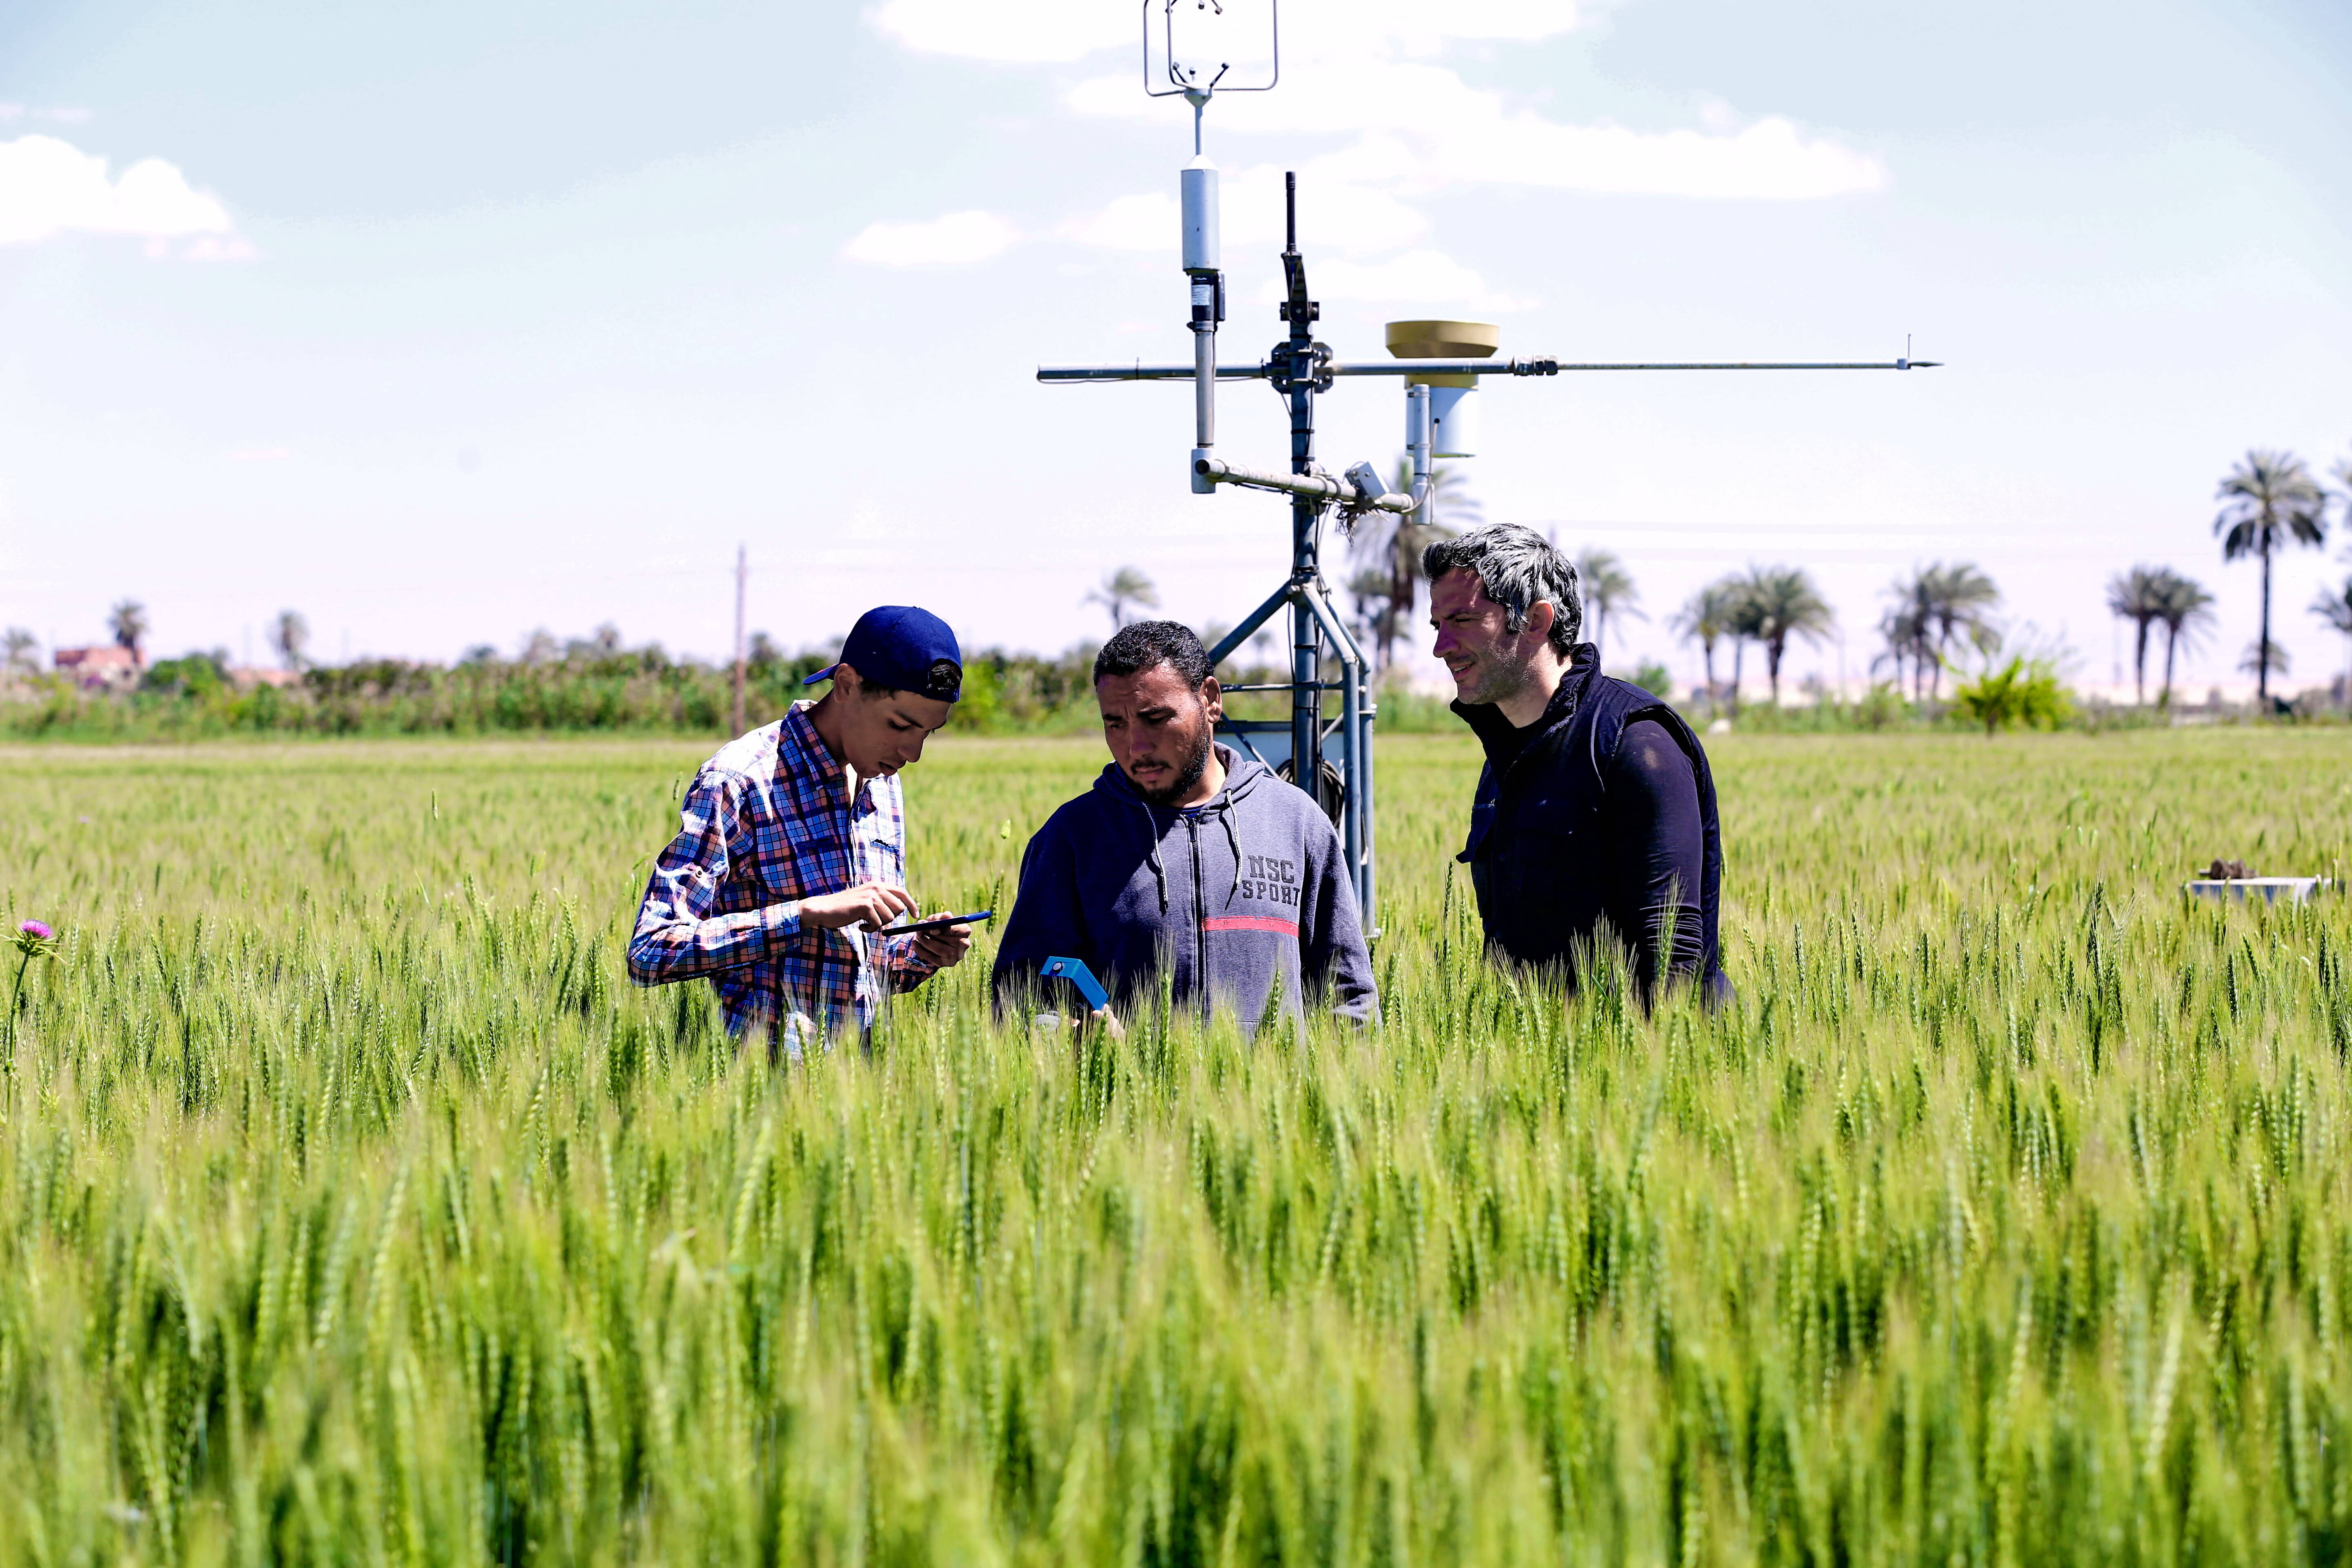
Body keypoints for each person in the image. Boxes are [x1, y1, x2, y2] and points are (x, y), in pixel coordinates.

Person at [992, 620, 1377, 1034]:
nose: (1136, 746)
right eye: (1116, 724)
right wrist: (1069, 1038)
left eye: (1155, 718)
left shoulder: (1296, 821)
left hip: (1276, 1079)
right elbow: (1018, 999)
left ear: (1210, 701)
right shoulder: (1070, 838)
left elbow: (1350, 998)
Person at [627, 605, 976, 1054]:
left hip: (859, 1082)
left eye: (928, 733)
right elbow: (651, 952)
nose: (912, 753)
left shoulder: (883, 783)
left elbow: (864, 969)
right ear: (847, 685)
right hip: (757, 1082)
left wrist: (921, 953)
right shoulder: (740, 780)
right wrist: (805, 914)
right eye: (899, 725)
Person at [1423, 523, 1728, 1000]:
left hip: (1648, 1045)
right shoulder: (1505, 756)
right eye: (1437, 626)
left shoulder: (1638, 745)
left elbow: (1676, 963)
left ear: (1536, 620)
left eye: (1462, 620)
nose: (1441, 647)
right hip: (1542, 1044)